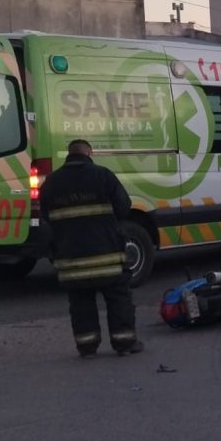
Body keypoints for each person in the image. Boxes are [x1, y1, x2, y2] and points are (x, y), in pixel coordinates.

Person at [40, 139, 143, 358]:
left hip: (71, 260)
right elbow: (124, 208)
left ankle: (87, 346)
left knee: (81, 303)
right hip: (107, 256)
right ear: (89, 153)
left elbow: (45, 215)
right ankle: (124, 344)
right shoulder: (103, 175)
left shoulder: (51, 182)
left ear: (69, 155)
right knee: (118, 299)